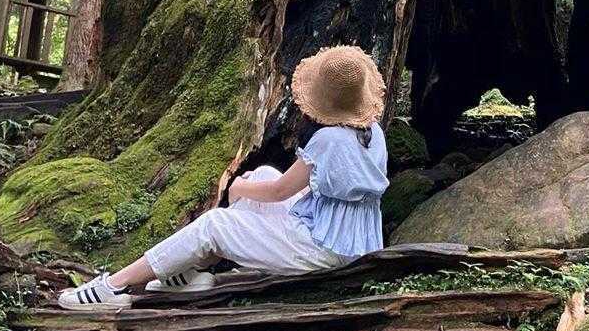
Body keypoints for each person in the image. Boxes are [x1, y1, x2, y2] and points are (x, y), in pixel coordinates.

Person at [58, 44, 390, 310]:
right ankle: (188, 274)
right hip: (355, 240)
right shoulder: (372, 132)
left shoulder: (329, 140)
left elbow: (278, 192)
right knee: (262, 171)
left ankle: (114, 286)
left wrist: (238, 185)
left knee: (216, 222)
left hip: (325, 249)